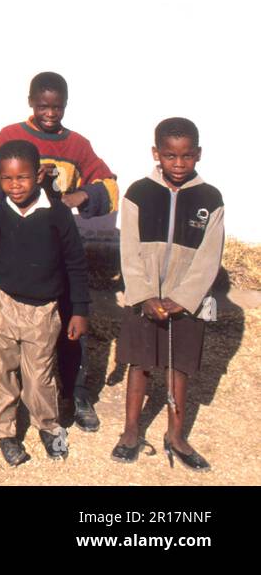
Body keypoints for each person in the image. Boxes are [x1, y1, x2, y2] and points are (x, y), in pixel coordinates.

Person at [0, 71, 117, 433]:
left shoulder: (77, 145)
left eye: (57, 107)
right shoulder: (11, 136)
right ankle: (5, 394)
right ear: (30, 103)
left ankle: (76, 392)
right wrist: (22, 185)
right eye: (43, 106)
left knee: (70, 328)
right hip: (17, 244)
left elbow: (109, 186)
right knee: (10, 341)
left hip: (58, 247)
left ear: (65, 106)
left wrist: (78, 196)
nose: (50, 113)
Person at [112, 117, 223, 472]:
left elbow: (209, 256)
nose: (178, 164)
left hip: (185, 304)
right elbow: (128, 249)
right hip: (144, 298)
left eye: (187, 156)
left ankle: (176, 436)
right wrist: (144, 295)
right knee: (139, 364)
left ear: (198, 154)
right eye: (170, 156)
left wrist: (184, 298)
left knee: (179, 369)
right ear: (156, 153)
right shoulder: (138, 193)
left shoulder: (210, 198)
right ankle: (131, 431)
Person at [0, 140, 89, 466]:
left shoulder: (58, 215)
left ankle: (48, 426)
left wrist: (79, 310)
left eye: (22, 178)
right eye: (7, 179)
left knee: (40, 376)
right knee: (2, 372)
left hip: (43, 309)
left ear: (38, 175)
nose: (14, 186)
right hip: (3, 304)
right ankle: (5, 433)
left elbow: (76, 264)